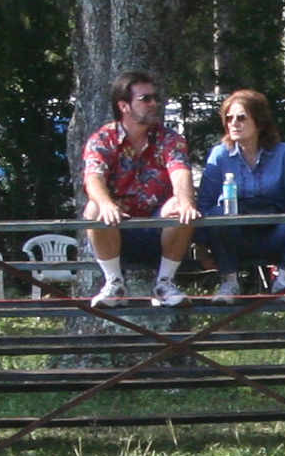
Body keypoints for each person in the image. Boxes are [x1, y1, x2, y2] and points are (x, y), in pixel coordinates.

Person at [79, 69, 202, 307]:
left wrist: (186, 201)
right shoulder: (102, 139)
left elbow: (181, 173)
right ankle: (114, 284)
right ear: (124, 106)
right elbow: (93, 178)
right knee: (94, 208)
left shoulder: (169, 139)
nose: (153, 103)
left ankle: (165, 283)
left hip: (160, 231)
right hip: (117, 232)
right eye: (145, 99)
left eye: (155, 98)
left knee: (181, 204)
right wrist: (106, 204)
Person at [197, 88, 285, 300]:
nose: (233, 124)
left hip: (274, 232)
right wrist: (202, 248)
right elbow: (204, 204)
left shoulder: (282, 152)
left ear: (259, 121)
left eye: (241, 118)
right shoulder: (220, 154)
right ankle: (228, 283)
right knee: (216, 213)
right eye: (228, 118)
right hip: (235, 235)